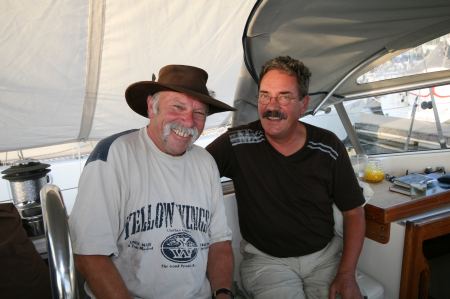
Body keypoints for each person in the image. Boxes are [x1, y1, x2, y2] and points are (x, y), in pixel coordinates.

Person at [69, 65, 236, 299]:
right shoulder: (114, 155)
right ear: (151, 107)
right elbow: (89, 255)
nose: (188, 121)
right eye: (178, 107)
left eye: (199, 113)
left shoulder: (205, 162)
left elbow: (219, 242)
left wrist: (223, 294)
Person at [206, 56, 366, 299]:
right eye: (264, 95)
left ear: (303, 104)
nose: (272, 106)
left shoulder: (328, 146)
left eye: (284, 96)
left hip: (325, 258)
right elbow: (193, 170)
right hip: (266, 263)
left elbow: (354, 212)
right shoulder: (237, 143)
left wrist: (346, 274)